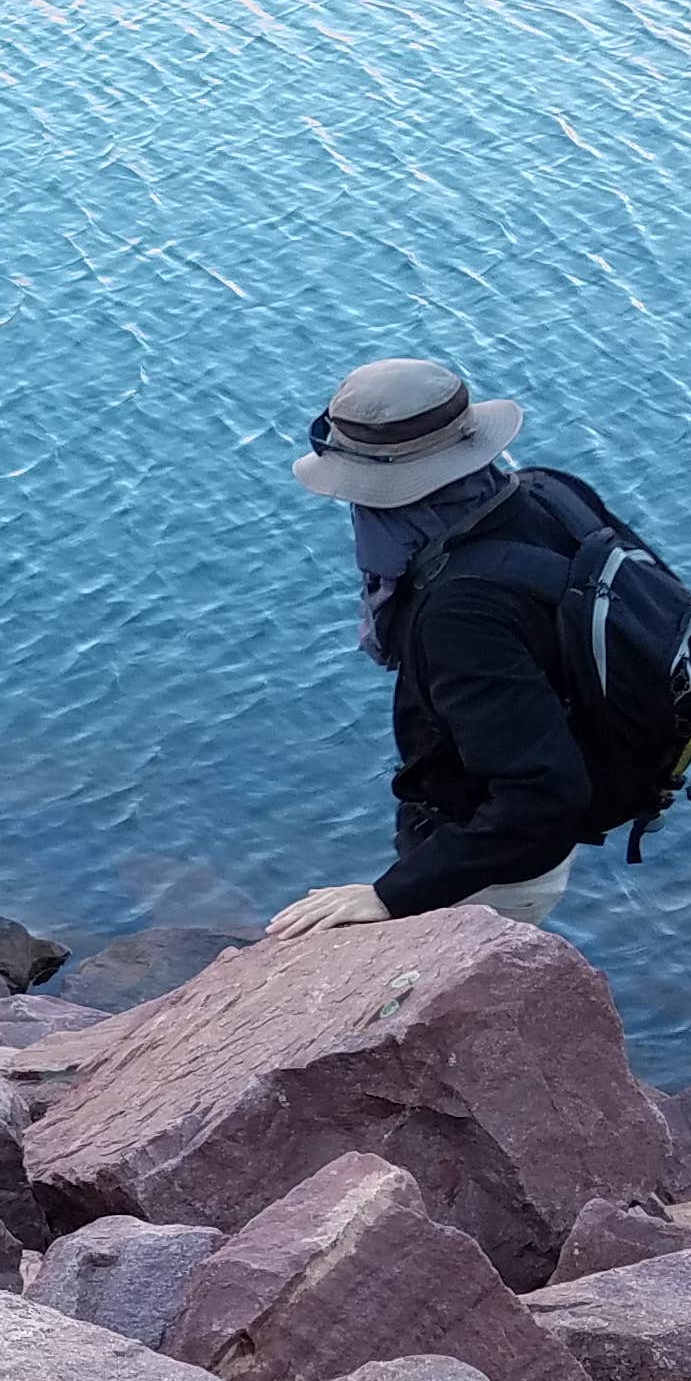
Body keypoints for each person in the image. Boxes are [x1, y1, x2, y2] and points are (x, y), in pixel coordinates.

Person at [264, 354, 614, 941]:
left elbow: (542, 795)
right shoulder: (547, 493)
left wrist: (391, 895)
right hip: (539, 832)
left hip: (494, 876)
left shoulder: (459, 611)